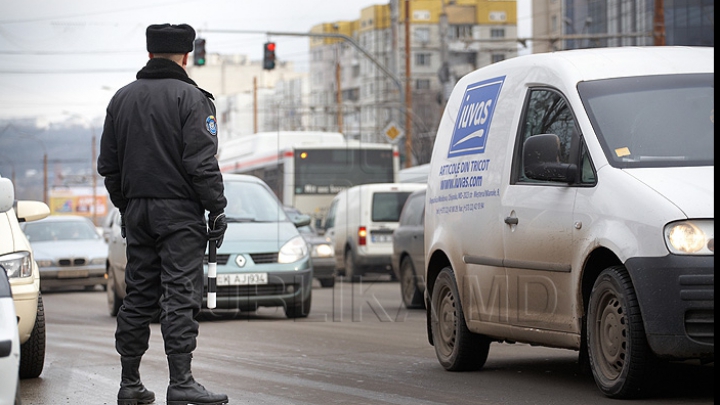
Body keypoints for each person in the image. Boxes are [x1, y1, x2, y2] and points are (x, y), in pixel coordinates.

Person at [97, 23, 228, 405]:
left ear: (150, 53)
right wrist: (216, 208)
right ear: (185, 56)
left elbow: (109, 166)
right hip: (180, 215)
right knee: (180, 294)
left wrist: (128, 206)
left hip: (138, 212)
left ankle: (130, 383)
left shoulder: (121, 99)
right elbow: (201, 163)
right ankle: (181, 381)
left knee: (138, 295)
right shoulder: (192, 99)